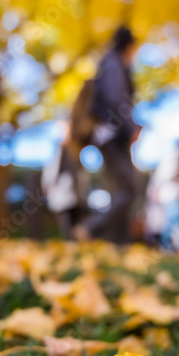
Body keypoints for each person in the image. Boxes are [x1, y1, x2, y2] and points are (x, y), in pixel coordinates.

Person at [73, 26, 142, 244]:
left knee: (120, 190)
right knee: (129, 189)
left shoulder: (108, 64)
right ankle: (91, 228)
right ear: (129, 46)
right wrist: (131, 128)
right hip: (112, 135)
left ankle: (118, 242)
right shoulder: (114, 64)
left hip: (109, 135)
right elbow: (116, 99)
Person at [42, 122, 87, 238]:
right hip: (62, 193)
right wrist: (47, 185)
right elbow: (51, 170)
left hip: (76, 195)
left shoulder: (76, 150)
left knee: (76, 223)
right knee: (66, 225)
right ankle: (70, 244)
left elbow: (81, 173)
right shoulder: (57, 150)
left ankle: (75, 244)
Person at [145, 139, 179, 251]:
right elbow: (165, 177)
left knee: (175, 224)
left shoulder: (176, 160)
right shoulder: (172, 159)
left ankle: (175, 247)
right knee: (173, 224)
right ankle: (170, 248)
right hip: (170, 198)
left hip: (173, 197)